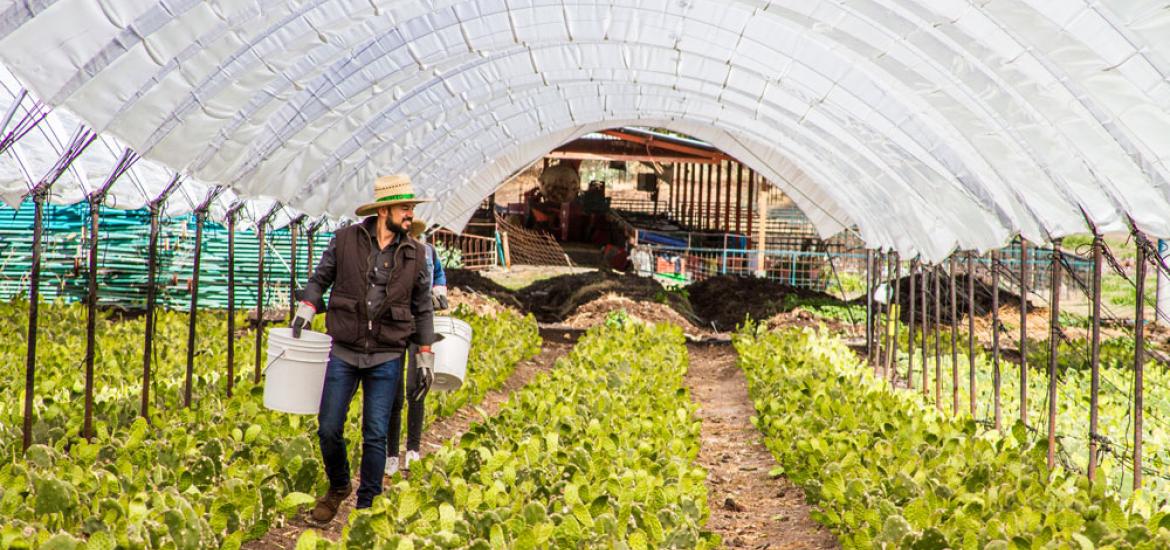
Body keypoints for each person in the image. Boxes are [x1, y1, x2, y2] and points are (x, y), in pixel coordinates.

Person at [291, 174, 437, 522]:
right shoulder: (345, 241)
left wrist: (426, 355)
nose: (410, 213)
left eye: (412, 207)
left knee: (375, 433)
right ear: (384, 209)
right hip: (345, 348)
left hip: (387, 353)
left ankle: (366, 507)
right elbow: (320, 279)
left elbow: (423, 307)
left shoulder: (416, 254)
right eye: (405, 207)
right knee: (328, 427)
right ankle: (339, 485)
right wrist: (307, 308)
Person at [386, 219, 448, 475]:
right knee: (394, 392)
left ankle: (413, 449)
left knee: (418, 387)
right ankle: (391, 453)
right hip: (393, 326)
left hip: (422, 325)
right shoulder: (389, 254)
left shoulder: (428, 252)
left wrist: (438, 291)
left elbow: (440, 275)